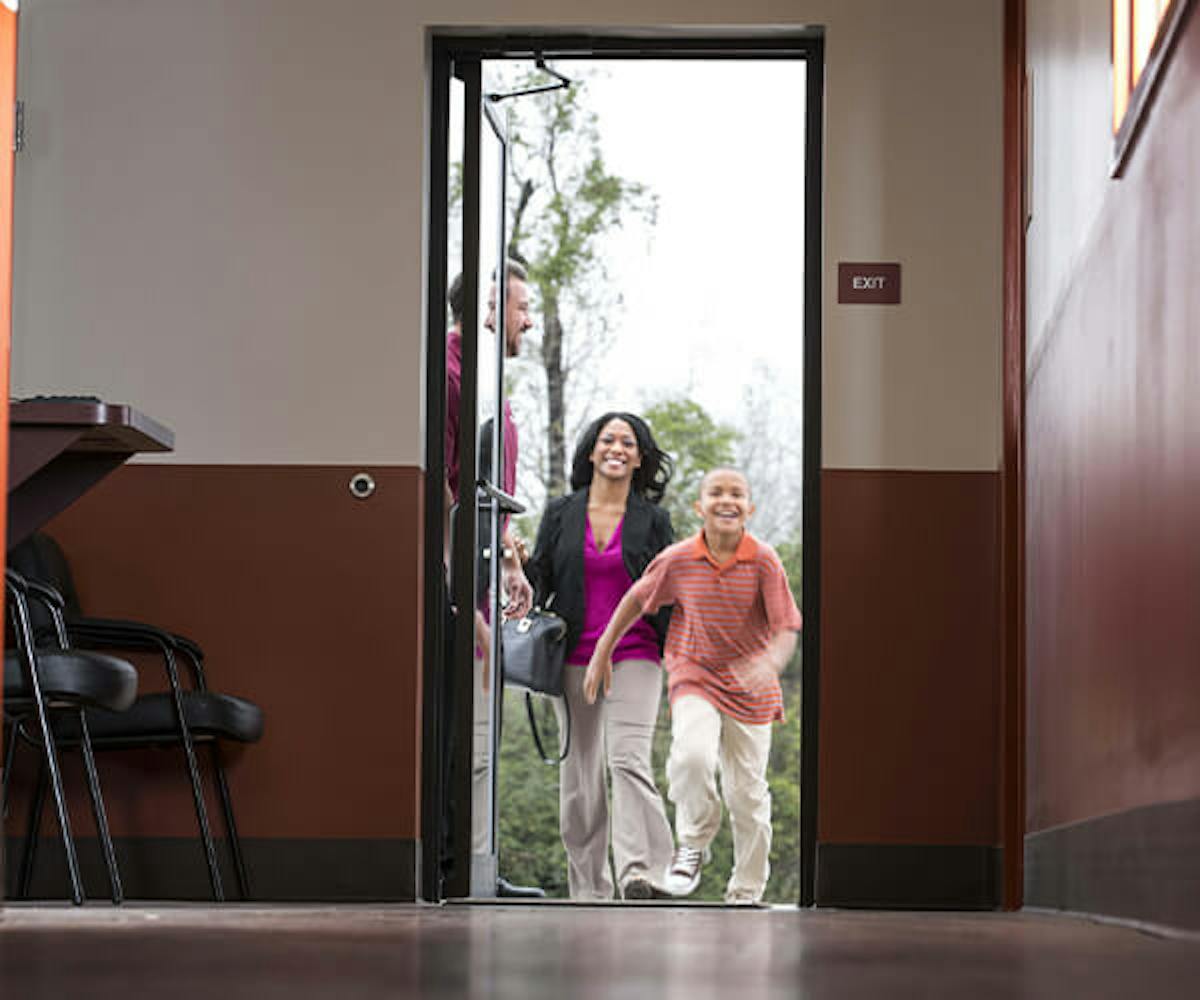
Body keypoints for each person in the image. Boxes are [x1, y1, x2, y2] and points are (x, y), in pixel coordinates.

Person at [584, 468, 801, 905]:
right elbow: (635, 599)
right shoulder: (679, 559)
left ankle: (746, 889)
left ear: (749, 508)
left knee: (748, 795)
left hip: (751, 691)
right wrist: (602, 651)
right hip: (694, 675)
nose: (727, 500)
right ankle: (693, 843)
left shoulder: (763, 560)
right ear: (699, 508)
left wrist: (770, 663)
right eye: (716, 493)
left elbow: (786, 627)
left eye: (737, 494)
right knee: (692, 756)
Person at [525, 412, 676, 901]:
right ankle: (589, 890)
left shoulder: (653, 521)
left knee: (628, 759)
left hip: (635, 652)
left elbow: (669, 592)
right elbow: (539, 580)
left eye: (627, 442)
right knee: (580, 776)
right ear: (591, 452)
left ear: (639, 458)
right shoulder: (560, 513)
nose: (617, 447)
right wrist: (514, 566)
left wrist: (684, 658)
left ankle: (644, 874)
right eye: (607, 439)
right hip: (573, 657)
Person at [443, 260, 539, 898]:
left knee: (481, 737)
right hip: (452, 590)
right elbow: (443, 487)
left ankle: (476, 865)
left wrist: (510, 562)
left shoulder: (489, 387)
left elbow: (488, 490)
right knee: (465, 737)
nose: (527, 322)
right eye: (520, 308)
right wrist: (461, 598)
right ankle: (460, 870)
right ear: (487, 306)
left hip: (482, 575)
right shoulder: (449, 376)